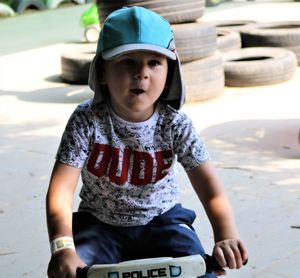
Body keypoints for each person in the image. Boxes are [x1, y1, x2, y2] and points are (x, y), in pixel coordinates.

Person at [46, 6, 248, 278]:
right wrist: (62, 248)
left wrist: (226, 235)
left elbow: (209, 186)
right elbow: (60, 191)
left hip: (164, 221)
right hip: (99, 226)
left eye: (154, 62)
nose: (142, 72)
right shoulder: (86, 120)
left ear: (169, 75)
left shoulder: (175, 123)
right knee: (72, 272)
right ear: (102, 71)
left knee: (202, 272)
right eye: (127, 61)